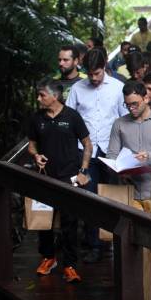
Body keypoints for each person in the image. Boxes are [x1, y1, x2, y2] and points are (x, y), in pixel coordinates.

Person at [26, 78, 92, 283]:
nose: (38, 99)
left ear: (55, 96)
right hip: (45, 177)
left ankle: (70, 265)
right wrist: (36, 156)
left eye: (42, 95)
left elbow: (87, 145)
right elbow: (31, 145)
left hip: (68, 177)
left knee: (70, 222)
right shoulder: (37, 118)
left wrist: (83, 171)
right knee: (43, 221)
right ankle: (48, 258)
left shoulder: (72, 116)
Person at [66, 49, 128, 263]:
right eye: (90, 74)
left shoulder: (119, 88)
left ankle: (112, 241)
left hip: (112, 151)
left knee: (112, 196)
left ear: (105, 67)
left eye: (98, 73)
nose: (93, 78)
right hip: (85, 152)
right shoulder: (77, 89)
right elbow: (69, 118)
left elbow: (125, 119)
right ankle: (94, 245)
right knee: (89, 196)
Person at [106, 80, 151, 209]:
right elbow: (111, 154)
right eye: (127, 105)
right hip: (128, 192)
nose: (131, 108)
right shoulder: (119, 123)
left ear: (146, 98)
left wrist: (150, 157)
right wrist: (117, 169)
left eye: (135, 104)